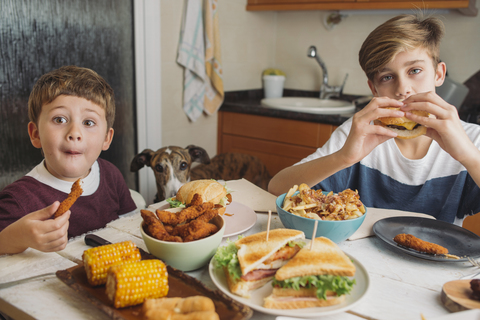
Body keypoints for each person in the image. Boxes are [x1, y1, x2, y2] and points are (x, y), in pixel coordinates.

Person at [268, 14, 480, 226]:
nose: (402, 89)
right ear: (374, 89)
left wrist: (468, 156)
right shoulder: (359, 132)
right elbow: (276, 187)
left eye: (415, 70)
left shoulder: (471, 139)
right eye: (387, 77)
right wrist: (344, 157)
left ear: (438, 74)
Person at [0, 66, 136, 254]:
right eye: (60, 120)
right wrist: (17, 236)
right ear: (36, 134)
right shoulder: (18, 199)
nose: (74, 133)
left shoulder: (111, 175)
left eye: (88, 122)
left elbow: (132, 228)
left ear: (107, 138)